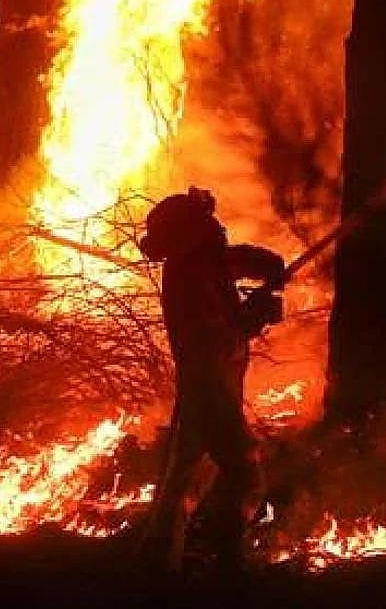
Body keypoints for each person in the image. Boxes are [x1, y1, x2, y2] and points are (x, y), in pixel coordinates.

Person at [136, 187, 284, 574]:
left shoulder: (196, 261)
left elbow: (230, 263)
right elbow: (214, 336)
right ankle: (225, 559)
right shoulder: (193, 270)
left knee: (184, 474)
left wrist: (266, 264)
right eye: (206, 221)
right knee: (244, 472)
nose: (215, 227)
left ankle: (158, 558)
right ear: (192, 230)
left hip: (208, 385)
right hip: (209, 387)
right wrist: (255, 315)